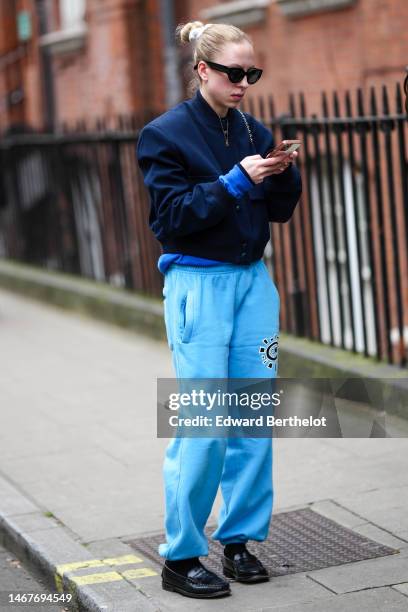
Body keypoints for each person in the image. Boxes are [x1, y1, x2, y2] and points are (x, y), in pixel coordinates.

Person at [136, 20, 302, 600]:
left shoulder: (253, 130)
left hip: (254, 284)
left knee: (253, 416)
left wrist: (282, 170)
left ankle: (238, 543)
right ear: (203, 69)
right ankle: (181, 557)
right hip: (198, 288)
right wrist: (236, 182)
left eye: (252, 74)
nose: (244, 84)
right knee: (204, 423)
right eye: (235, 73)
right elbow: (170, 220)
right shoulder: (164, 135)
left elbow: (277, 212)